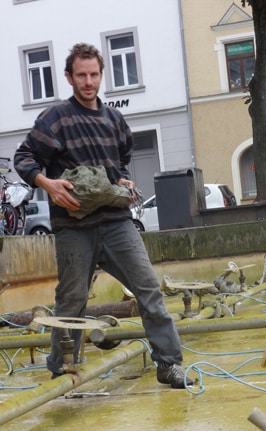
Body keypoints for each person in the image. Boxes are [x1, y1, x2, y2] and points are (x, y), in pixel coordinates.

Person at [14, 42, 192, 389]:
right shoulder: (55, 119)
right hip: (74, 228)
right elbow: (24, 158)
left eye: (94, 74)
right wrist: (47, 184)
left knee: (149, 289)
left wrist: (121, 178)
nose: (88, 81)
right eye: (81, 75)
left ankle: (168, 364)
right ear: (69, 77)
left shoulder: (114, 120)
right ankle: (61, 370)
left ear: (101, 75)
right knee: (71, 302)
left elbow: (120, 160)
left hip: (116, 224)